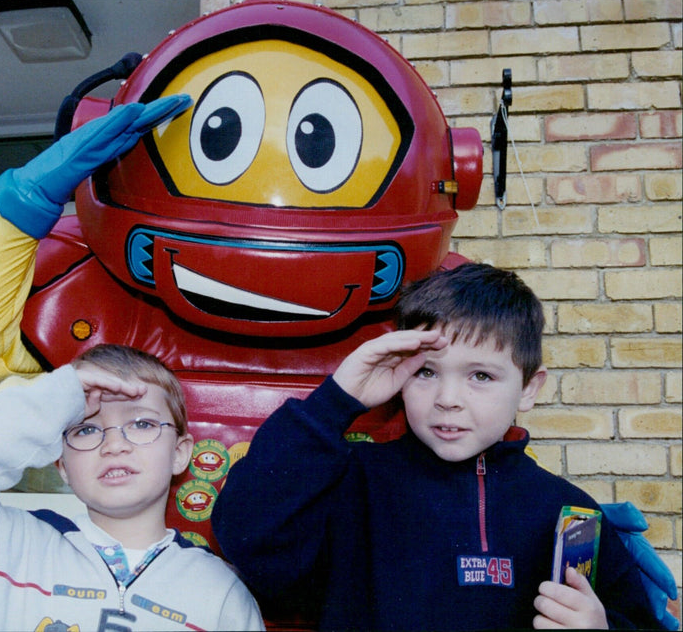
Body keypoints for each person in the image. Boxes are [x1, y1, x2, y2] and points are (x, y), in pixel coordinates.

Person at [211, 263, 662, 630]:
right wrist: (335, 400)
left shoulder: (568, 512)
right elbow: (245, 538)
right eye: (426, 372)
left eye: (480, 376)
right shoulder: (351, 481)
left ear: (528, 388)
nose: (448, 399)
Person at [0, 344, 264, 631]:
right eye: (86, 428)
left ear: (180, 453)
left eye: (143, 424)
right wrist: (53, 400)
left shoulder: (222, 594)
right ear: (62, 465)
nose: (114, 444)